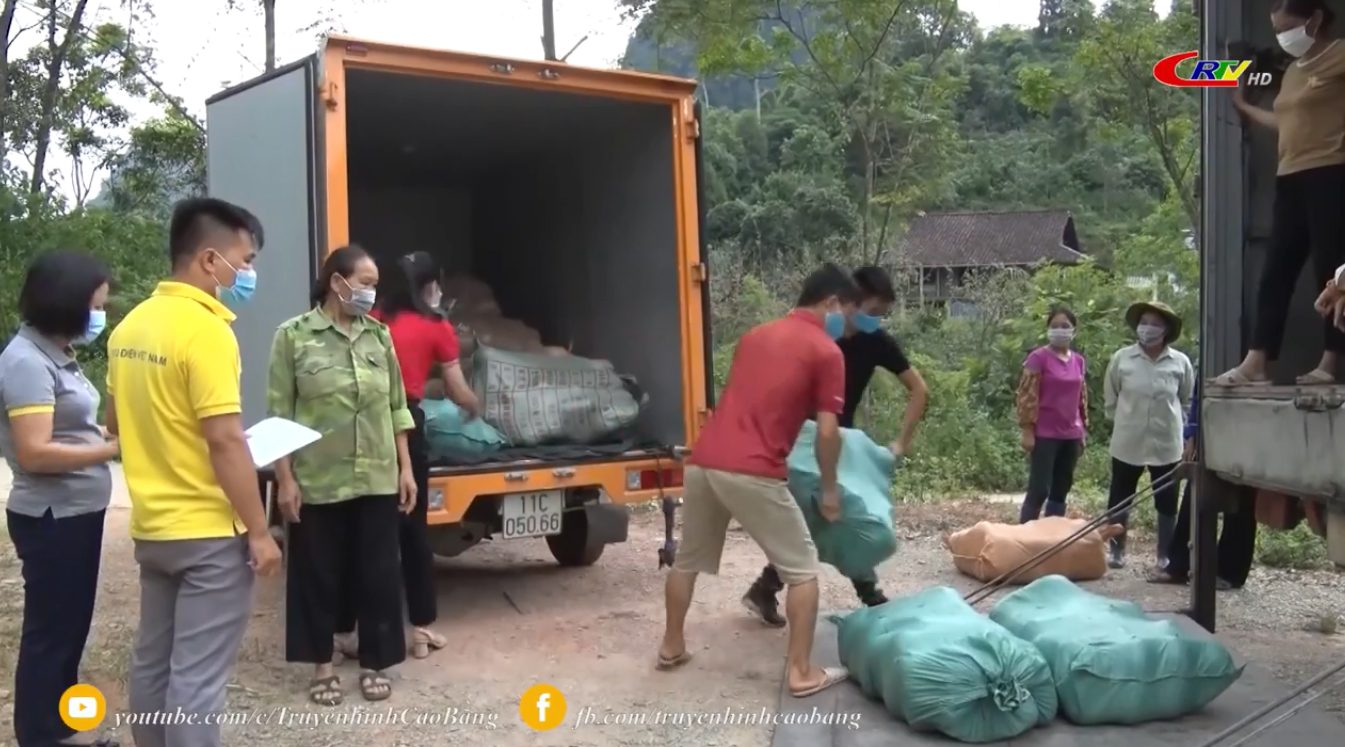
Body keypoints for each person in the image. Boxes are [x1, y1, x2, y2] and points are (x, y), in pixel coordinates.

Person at [107, 198, 281, 747]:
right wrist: (258, 530)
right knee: (197, 680)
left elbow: (118, 422)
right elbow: (224, 439)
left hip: (155, 529)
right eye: (244, 260)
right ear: (210, 260)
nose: (247, 273)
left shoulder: (130, 327)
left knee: (153, 663)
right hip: (209, 533)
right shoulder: (206, 331)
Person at [657, 263, 854, 699]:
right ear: (831, 303)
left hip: (706, 459)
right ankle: (801, 671)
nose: (848, 324)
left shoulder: (756, 335)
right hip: (753, 468)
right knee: (803, 571)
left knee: (687, 560)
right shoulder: (827, 351)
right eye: (848, 313)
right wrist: (831, 487)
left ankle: (672, 645)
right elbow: (826, 430)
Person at [267, 244, 417, 705]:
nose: (372, 293)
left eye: (374, 285)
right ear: (338, 282)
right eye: (366, 283)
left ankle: (374, 663)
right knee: (318, 573)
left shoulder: (379, 337)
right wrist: (286, 480)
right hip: (319, 479)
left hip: (376, 475)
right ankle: (322, 666)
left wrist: (406, 468)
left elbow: (397, 407)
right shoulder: (293, 337)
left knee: (376, 573)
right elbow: (279, 413)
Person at [741, 266, 927, 621]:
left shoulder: (876, 342)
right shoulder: (816, 335)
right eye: (870, 312)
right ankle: (868, 595)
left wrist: (902, 442)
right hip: (800, 443)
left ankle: (766, 588)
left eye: (880, 315)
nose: (875, 321)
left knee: (831, 517)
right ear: (848, 301)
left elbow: (919, 388)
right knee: (825, 519)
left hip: (838, 445)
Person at [332, 251, 479, 662]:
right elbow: (455, 387)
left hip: (360, 424)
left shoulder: (368, 321)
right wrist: (476, 407)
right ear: (430, 286)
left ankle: (347, 630)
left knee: (357, 528)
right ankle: (421, 629)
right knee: (412, 532)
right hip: (406, 424)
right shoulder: (437, 327)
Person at [1, 251, 120, 747]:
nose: (100, 316)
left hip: (74, 512)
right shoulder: (27, 362)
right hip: (53, 518)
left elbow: (69, 430)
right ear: (67, 303)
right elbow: (33, 452)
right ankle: (42, 735)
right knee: (52, 635)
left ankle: (62, 726)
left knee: (70, 631)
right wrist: (114, 449)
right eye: (96, 306)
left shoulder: (56, 355)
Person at [1218, 0, 1345, 386]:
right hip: (1289, 175)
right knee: (1276, 271)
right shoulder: (1292, 72)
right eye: (1276, 31)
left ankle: (1331, 362)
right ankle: (1257, 361)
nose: (1282, 37)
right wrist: (1242, 105)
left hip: (1332, 171)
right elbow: (1285, 121)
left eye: (1287, 27)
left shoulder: (1340, 55)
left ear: (1316, 20)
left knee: (1332, 272)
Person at [1102, 301, 1195, 569]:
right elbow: (1111, 396)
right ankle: (1116, 552)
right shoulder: (1122, 358)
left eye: (1155, 323)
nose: (1148, 328)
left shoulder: (1180, 362)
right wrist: (1120, 420)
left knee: (1166, 501)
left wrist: (1187, 432)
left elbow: (1187, 400)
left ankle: (1164, 554)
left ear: (1165, 330)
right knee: (1120, 497)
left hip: (1166, 443)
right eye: (1144, 322)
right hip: (1127, 441)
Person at [1148, 379, 1259, 590]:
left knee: (1242, 498)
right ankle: (1179, 565)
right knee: (1196, 491)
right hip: (1212, 423)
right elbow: (1199, 393)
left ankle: (1229, 572)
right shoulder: (1211, 353)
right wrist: (1191, 434)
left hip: (1249, 421)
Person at [1015, 307, 1088, 523]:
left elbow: (1081, 398)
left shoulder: (1078, 361)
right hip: (1045, 432)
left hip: (1071, 433)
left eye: (1065, 326)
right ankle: (1025, 535)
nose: (1060, 330)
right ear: (1047, 329)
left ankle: (1052, 538)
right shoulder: (1038, 358)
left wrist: (1082, 429)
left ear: (1074, 330)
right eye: (1055, 326)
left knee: (1061, 489)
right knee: (1039, 488)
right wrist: (1027, 430)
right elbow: (1027, 395)